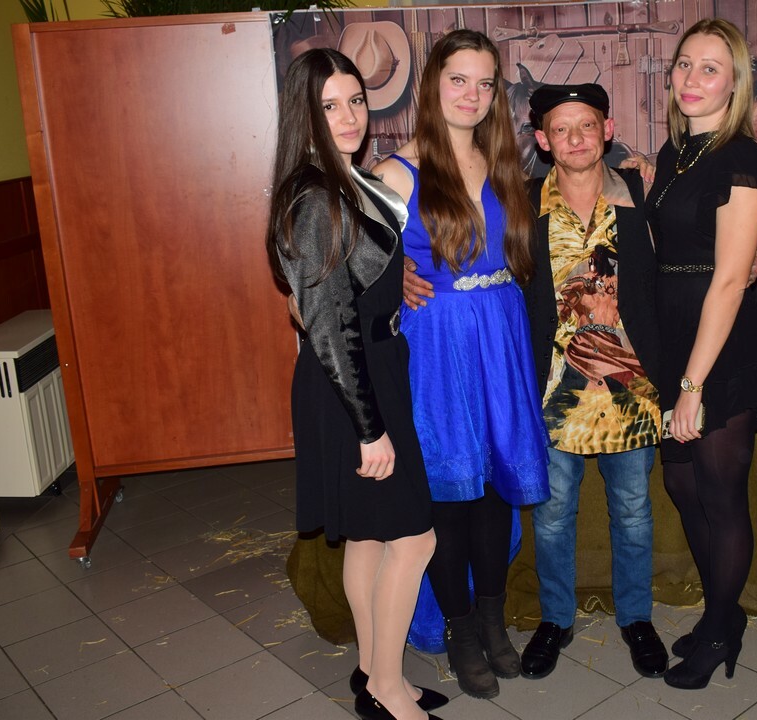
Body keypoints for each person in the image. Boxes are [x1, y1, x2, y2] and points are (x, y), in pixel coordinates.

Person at [265, 49, 446, 720]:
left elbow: (343, 285)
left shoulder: (348, 179)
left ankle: (372, 674)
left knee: (368, 536)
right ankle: (390, 689)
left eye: (357, 101)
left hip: (374, 367)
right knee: (415, 538)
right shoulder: (315, 196)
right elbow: (328, 323)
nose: (350, 117)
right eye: (330, 105)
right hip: (352, 384)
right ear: (305, 114)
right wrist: (369, 428)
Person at [374, 29, 551, 700]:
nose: (472, 95)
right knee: (451, 492)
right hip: (439, 345)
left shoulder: (504, 162)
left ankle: (492, 621)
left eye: (485, 83)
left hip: (500, 336)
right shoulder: (397, 173)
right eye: (458, 80)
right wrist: (394, 280)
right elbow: (351, 272)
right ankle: (459, 628)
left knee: (497, 489)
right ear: (433, 85)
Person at [645, 19, 757, 690]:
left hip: (721, 346)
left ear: (735, 84)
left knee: (720, 492)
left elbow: (731, 280)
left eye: (710, 68)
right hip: (675, 336)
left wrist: (692, 385)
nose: (692, 78)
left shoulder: (743, 161)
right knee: (683, 486)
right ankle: (722, 614)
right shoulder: (676, 154)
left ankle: (718, 631)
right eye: (685, 64)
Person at [515, 83, 669, 681]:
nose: (575, 138)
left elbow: (689, 261)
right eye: (561, 128)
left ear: (607, 129)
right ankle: (555, 619)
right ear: (542, 139)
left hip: (632, 388)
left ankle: (637, 618)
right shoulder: (521, 203)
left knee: (632, 510)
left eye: (586, 125)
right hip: (551, 391)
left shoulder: (642, 193)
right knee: (553, 515)